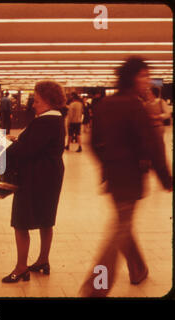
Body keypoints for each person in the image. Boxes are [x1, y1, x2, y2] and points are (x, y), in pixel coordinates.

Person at [80, 57, 172, 297]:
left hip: (113, 175)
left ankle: (138, 269)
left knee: (124, 222)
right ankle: (95, 287)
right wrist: (166, 178)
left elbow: (92, 142)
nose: (147, 81)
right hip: (130, 178)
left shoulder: (105, 104)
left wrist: (107, 164)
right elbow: (152, 146)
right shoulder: (135, 106)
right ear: (132, 77)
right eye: (143, 75)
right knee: (120, 228)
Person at [1, 81, 66, 283]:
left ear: (47, 101)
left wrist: (4, 147)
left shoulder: (43, 122)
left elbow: (26, 151)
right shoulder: (56, 119)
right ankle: (42, 260)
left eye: (36, 100)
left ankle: (21, 268)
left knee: (21, 222)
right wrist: (18, 141)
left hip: (35, 177)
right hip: (51, 175)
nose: (33, 104)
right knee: (46, 219)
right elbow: (36, 145)